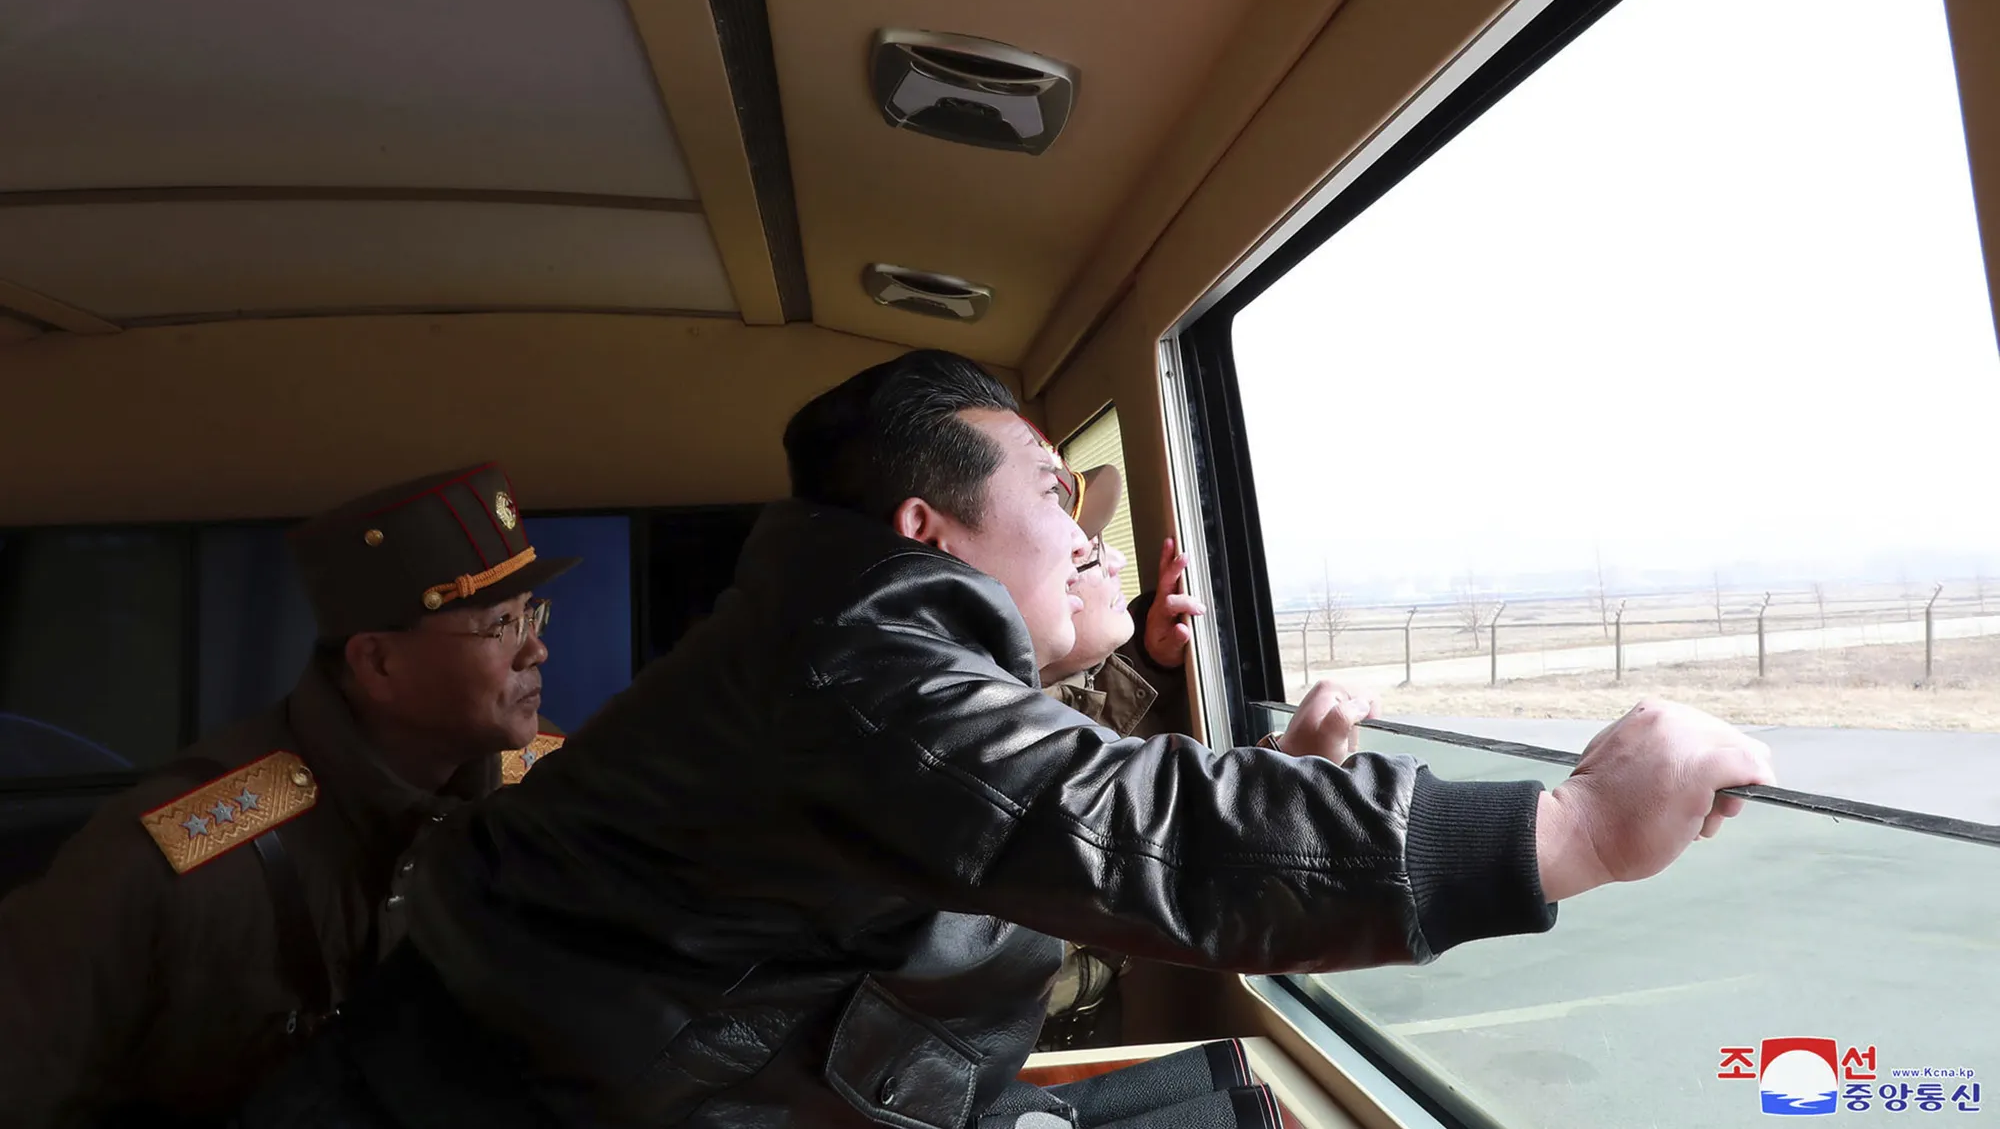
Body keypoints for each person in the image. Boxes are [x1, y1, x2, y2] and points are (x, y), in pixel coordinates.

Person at [242, 350, 1775, 1129]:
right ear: (926, 528)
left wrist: (1291, 787)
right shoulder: (851, 650)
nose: (1093, 531)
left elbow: (1029, 805)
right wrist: (1570, 827)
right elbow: (1087, 809)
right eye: (1055, 490)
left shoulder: (846, 643)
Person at [0, 463, 576, 1127]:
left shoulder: (549, 788)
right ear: (378, 663)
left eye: (532, 612)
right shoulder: (177, 859)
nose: (537, 649)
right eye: (499, 625)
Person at [1033, 464, 1381, 1050]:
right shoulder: (980, 753)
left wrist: (1146, 659)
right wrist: (1288, 775)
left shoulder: (1018, 711)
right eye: (1085, 556)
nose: (1116, 561)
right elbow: (1128, 859)